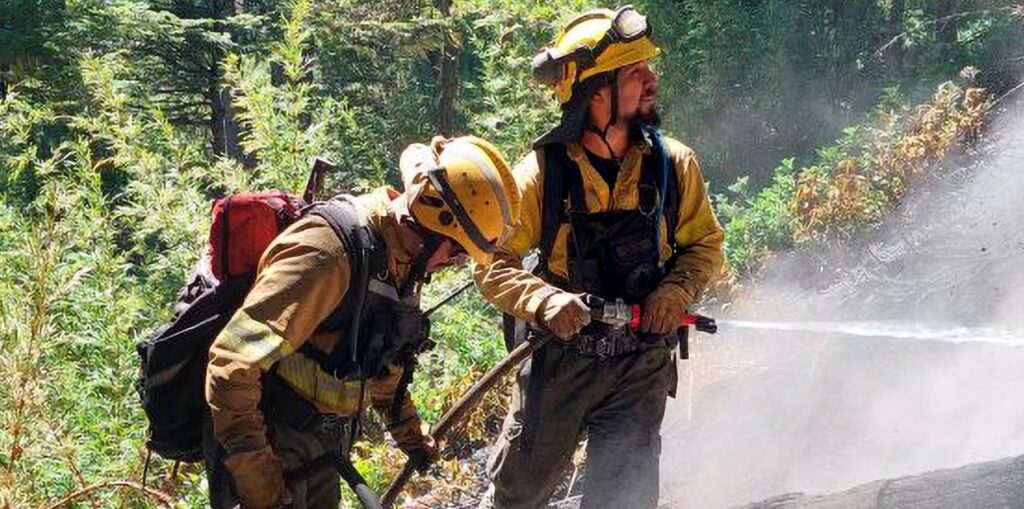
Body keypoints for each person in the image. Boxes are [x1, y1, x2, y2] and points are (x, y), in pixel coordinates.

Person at [474, 6, 725, 508]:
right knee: (518, 495)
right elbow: (490, 265)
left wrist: (674, 291)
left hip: (641, 364)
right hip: (563, 363)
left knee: (623, 500)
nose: (651, 80)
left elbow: (705, 245)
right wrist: (545, 302)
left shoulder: (673, 165)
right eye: (635, 72)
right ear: (594, 93)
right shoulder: (540, 174)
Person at [203, 136, 521, 509]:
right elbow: (231, 362)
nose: (455, 264)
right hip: (271, 441)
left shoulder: (400, 260)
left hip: (322, 446)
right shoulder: (328, 255)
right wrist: (259, 479)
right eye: (456, 251)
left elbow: (378, 364)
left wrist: (412, 438)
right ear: (432, 223)